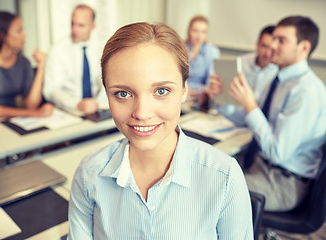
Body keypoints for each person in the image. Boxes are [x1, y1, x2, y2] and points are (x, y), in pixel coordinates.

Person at [67, 22, 253, 239]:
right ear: (107, 94)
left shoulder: (225, 177)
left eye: (161, 91)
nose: (142, 113)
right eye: (123, 94)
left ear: (185, 89)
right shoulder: (89, 174)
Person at [229, 16, 326, 211]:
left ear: (304, 48)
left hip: (284, 182)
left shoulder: (306, 91)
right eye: (273, 38)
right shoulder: (278, 78)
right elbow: (250, 119)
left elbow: (277, 152)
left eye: (281, 41)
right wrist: (219, 101)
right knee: (207, 171)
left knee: (213, 191)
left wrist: (250, 105)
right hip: (261, 166)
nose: (272, 45)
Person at [0, 11, 54, 120]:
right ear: (2, 36)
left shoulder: (23, 62)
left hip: (15, 122)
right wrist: (35, 113)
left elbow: (31, 105)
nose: (24, 35)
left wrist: (41, 67)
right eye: (19, 31)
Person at [43, 4, 106, 115]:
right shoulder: (58, 49)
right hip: (69, 110)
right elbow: (50, 90)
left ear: (93, 27)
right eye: (73, 23)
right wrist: (76, 104)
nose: (74, 29)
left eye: (81, 25)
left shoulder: (101, 48)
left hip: (97, 108)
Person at [217, 25, 279, 125]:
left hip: (259, 125)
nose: (267, 53)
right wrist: (217, 96)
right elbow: (225, 101)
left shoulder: (278, 73)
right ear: (257, 44)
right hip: (232, 121)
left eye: (272, 49)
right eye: (264, 46)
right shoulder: (240, 63)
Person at [186, 15, 220, 98]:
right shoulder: (179, 48)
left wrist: (196, 91)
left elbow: (211, 84)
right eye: (195, 31)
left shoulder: (212, 52)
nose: (199, 36)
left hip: (201, 97)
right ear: (189, 31)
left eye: (203, 32)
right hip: (181, 94)